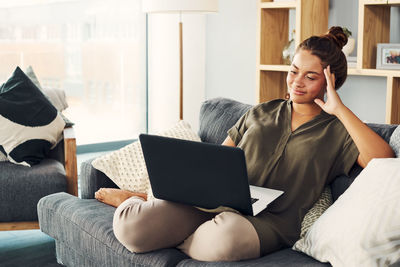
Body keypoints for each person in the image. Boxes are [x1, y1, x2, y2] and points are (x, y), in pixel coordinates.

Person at [95, 26, 394, 262]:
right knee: (131, 229)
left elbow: (382, 158)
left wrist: (339, 108)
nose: (296, 82)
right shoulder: (261, 111)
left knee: (223, 240)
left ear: (331, 83)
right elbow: (218, 158)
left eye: (310, 76)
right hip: (214, 203)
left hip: (268, 223)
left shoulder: (338, 131)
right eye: (293, 71)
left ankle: (172, 230)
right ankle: (137, 201)